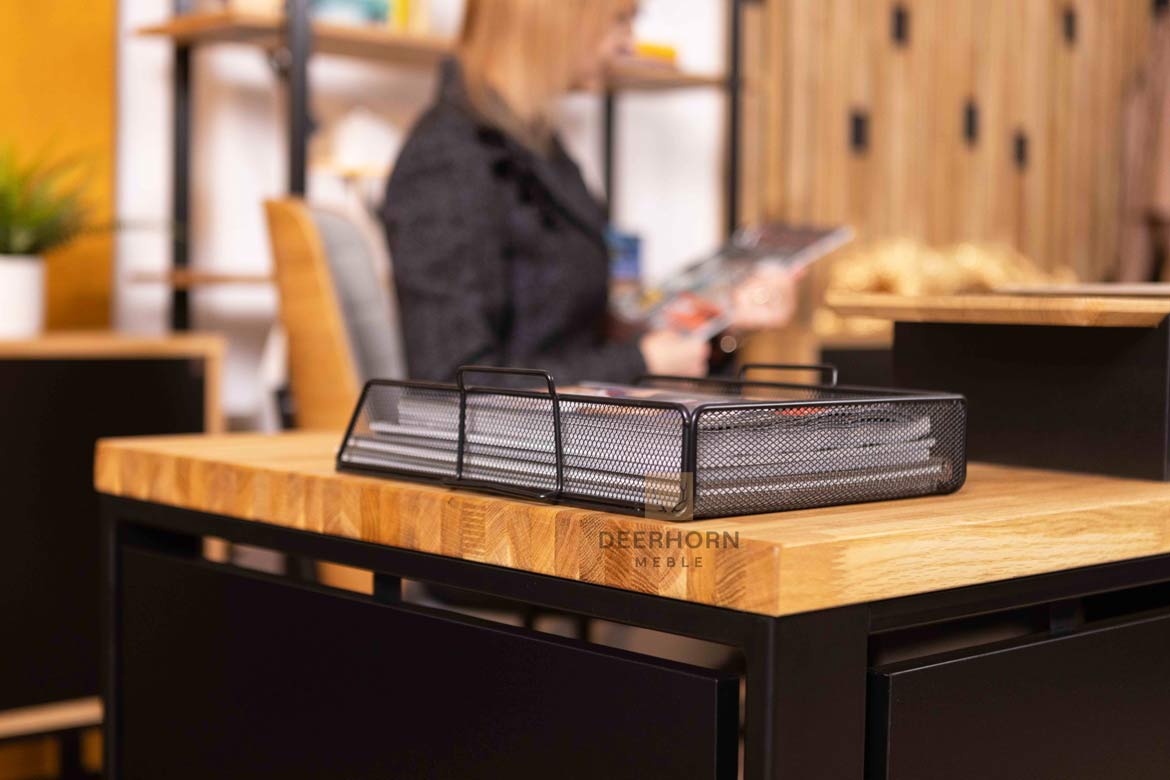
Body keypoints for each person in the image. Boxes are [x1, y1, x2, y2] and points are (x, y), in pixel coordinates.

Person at [382, 0, 796, 384]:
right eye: (620, 20)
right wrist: (642, 362)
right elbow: (452, 382)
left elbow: (579, 337)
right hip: (525, 439)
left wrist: (719, 323)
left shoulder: (535, 147)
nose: (628, 43)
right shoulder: (449, 159)